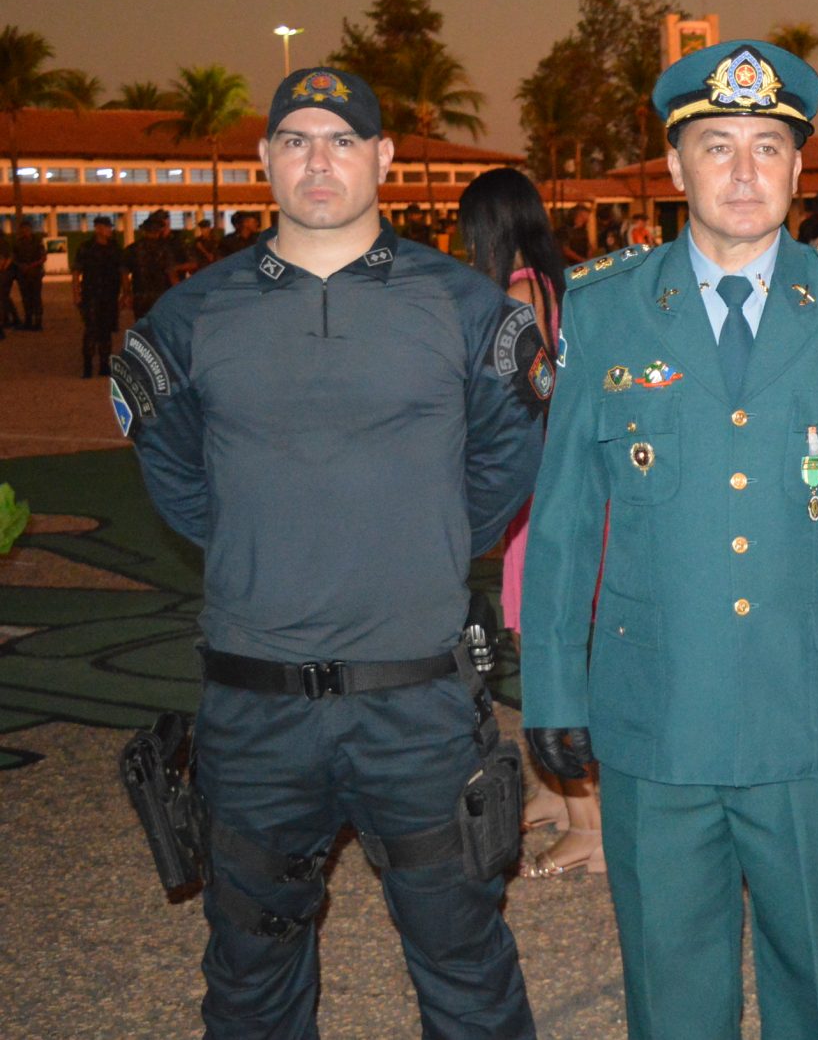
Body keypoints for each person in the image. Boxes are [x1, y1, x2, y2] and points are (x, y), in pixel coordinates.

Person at [519, 39, 818, 1038]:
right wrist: (551, 684)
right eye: (718, 146)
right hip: (655, 717)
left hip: (811, 715)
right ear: (676, 168)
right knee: (673, 998)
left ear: (799, 167)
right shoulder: (606, 308)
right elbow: (563, 520)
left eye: (769, 146)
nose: (746, 171)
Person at [115, 67, 547, 1038]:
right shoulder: (190, 316)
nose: (319, 160)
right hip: (254, 709)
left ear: (382, 156)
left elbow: (502, 465)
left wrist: (415, 538)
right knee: (250, 981)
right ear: (265, 159)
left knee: (467, 967)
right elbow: (177, 475)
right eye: (297, 140)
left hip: (417, 704)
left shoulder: (467, 307)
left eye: (342, 139)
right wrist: (262, 537)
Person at [456, 165, 603, 879]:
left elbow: (519, 399)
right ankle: (554, 788)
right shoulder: (556, 284)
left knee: (548, 646)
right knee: (540, 636)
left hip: (541, 485)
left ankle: (590, 825)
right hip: (556, 483)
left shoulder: (517, 295)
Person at [72, 215, 127, 378]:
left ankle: (104, 364)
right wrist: (76, 294)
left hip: (110, 295)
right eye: (107, 227)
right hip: (91, 295)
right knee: (91, 330)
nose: (110, 230)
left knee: (106, 330)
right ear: (98, 229)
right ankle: (87, 365)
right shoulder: (86, 248)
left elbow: (122, 271)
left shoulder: (115, 248)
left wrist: (125, 294)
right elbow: (76, 272)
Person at [129, 211, 187, 320]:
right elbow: (171, 273)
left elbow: (124, 270)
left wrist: (127, 292)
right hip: (161, 295)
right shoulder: (165, 248)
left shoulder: (133, 248)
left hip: (141, 296)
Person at [11, 218, 46, 331]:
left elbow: (43, 258)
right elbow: (13, 258)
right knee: (26, 298)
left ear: (30, 230)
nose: (25, 232)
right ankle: (28, 321)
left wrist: (31, 266)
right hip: (23, 274)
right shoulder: (18, 243)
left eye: (27, 229)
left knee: (36, 297)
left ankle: (38, 322)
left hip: (35, 274)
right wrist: (21, 266)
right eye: (23, 229)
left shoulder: (37, 242)